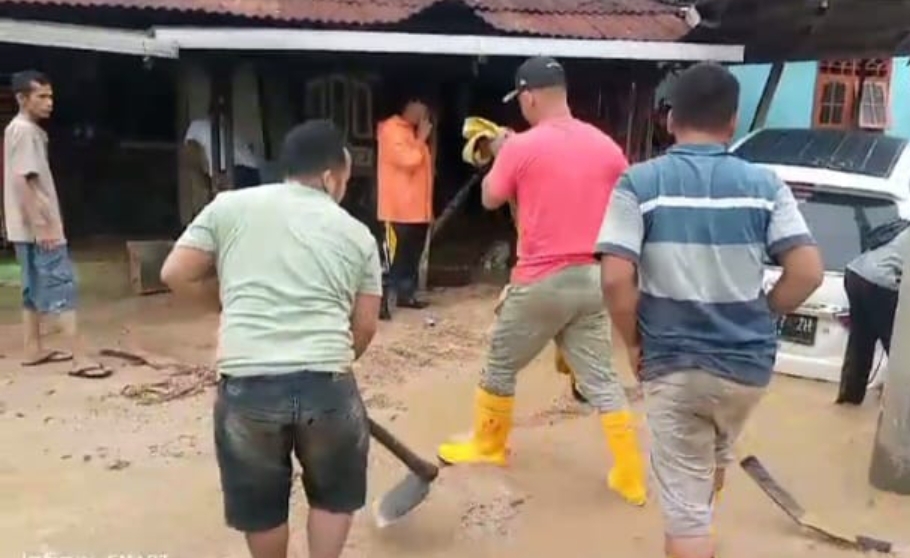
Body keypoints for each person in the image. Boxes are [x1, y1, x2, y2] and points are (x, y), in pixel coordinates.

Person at [596, 62, 823, 558]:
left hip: (676, 364)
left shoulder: (640, 183)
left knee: (685, 517)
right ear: (733, 121)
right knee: (708, 465)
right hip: (747, 368)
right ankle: (704, 535)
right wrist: (761, 315)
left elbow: (615, 278)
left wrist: (634, 341)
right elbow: (806, 271)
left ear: (670, 118)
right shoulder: (765, 186)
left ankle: (695, 540)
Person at [160, 120, 383, 558]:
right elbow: (366, 324)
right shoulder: (358, 234)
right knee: (334, 495)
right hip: (327, 384)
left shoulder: (229, 207)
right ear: (330, 175)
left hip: (248, 384)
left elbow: (174, 273)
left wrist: (229, 305)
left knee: (261, 505)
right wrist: (334, 361)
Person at [436, 56, 648, 507]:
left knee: (499, 363)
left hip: (542, 279)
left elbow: (492, 197)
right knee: (602, 378)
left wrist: (500, 153)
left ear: (529, 96)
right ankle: (630, 472)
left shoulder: (521, 147)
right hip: (594, 279)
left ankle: (489, 445)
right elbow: (624, 200)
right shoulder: (607, 147)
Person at [3, 70, 110, 379]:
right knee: (61, 286)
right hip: (39, 227)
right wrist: (43, 226)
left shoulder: (18, 129)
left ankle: (33, 348)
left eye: (51, 96)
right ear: (23, 99)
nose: (50, 103)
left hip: (23, 226)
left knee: (31, 287)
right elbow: (23, 180)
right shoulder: (25, 131)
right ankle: (81, 357)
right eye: (42, 97)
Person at [835, 223, 910, 405]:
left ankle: (848, 400)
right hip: (880, 282)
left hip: (855, 273)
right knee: (900, 347)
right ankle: (907, 406)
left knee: (860, 341)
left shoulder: (907, 227)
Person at [376, 95, 434, 309]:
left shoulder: (410, 131)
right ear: (409, 106)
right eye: (420, 109)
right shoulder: (392, 130)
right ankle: (386, 300)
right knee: (397, 256)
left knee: (412, 255)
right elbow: (408, 161)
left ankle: (406, 294)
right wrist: (421, 139)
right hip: (399, 208)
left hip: (417, 208)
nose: (423, 115)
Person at [183, 116, 262, 189]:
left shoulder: (192, 131)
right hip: (253, 170)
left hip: (231, 170)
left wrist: (205, 182)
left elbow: (193, 159)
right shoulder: (211, 127)